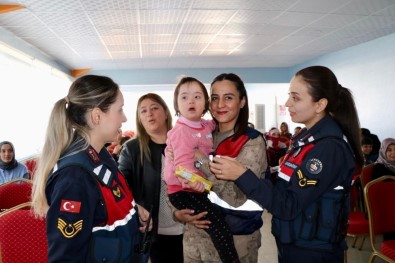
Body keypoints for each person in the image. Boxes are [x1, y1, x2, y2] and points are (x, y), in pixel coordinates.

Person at [213, 66, 364, 263]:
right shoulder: (305, 140)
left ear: (320, 105)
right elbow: (286, 184)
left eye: (296, 98)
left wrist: (242, 174)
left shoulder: (328, 149)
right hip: (295, 242)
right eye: (289, 96)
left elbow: (288, 205)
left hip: (312, 252)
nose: (287, 103)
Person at [31, 75, 151, 262]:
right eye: (119, 110)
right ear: (97, 116)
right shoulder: (74, 177)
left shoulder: (99, 156)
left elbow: (104, 206)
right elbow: (66, 257)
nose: (125, 118)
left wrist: (133, 211)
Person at [175, 73, 267, 263]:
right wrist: (177, 212)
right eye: (215, 98)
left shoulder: (251, 141)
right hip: (195, 239)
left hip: (235, 242)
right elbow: (173, 177)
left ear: (242, 101)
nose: (219, 105)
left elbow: (235, 196)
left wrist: (200, 161)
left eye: (228, 97)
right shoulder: (198, 133)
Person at [118, 93, 206, 263]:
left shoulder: (186, 140)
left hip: (192, 227)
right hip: (158, 232)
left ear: (166, 112)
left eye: (154, 108)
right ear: (139, 118)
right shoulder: (132, 149)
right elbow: (120, 188)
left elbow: (205, 177)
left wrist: (200, 159)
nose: (149, 114)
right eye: (143, 111)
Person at [163, 77, 239, 263]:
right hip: (184, 190)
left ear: (206, 103)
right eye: (184, 97)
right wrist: (192, 181)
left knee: (217, 221)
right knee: (218, 225)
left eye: (197, 97)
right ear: (177, 104)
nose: (191, 101)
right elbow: (182, 166)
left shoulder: (205, 125)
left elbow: (212, 127)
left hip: (196, 188)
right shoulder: (181, 132)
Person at [371, 137, 395, 240]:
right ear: (383, 151)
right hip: (386, 208)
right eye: (389, 150)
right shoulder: (379, 168)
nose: (393, 153)